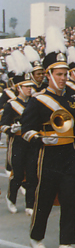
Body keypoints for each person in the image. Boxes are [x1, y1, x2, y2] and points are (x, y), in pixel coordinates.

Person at [21, 28, 75, 248]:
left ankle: (66, 242)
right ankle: (36, 237)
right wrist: (39, 137)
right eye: (59, 74)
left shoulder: (70, 100)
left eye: (65, 74)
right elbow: (25, 129)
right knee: (44, 200)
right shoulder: (38, 100)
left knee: (70, 201)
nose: (63, 78)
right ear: (49, 75)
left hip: (67, 155)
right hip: (47, 155)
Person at [0, 56, 35, 214]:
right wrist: (10, 129)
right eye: (26, 87)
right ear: (19, 88)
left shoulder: (35, 102)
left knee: (33, 174)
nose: (29, 89)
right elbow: (2, 125)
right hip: (18, 142)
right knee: (18, 174)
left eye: (30, 86)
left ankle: (29, 205)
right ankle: (11, 197)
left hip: (31, 141)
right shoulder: (11, 105)